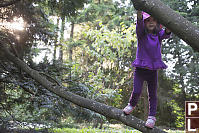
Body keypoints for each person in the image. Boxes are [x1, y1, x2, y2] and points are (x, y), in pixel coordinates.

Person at [123, 11, 171, 128]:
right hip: (140, 69)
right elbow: (139, 23)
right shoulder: (141, 34)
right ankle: (131, 104)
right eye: (148, 20)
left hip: (152, 71)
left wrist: (169, 24)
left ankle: (151, 117)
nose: (151, 22)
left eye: (153, 20)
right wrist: (139, 12)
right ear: (144, 23)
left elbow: (167, 33)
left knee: (152, 94)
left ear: (157, 23)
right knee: (137, 91)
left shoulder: (158, 35)